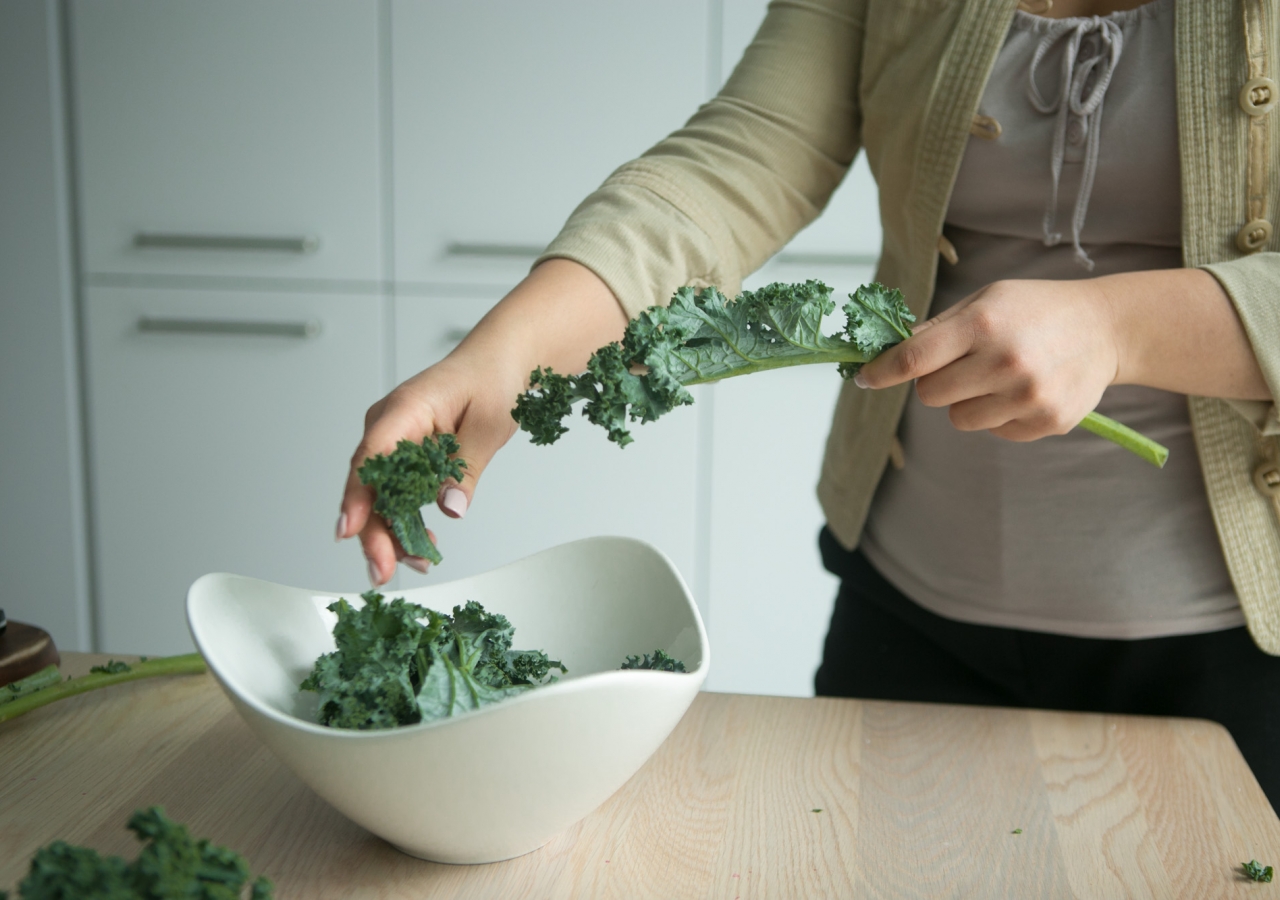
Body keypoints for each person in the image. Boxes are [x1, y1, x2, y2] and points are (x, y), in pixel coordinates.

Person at [336, 0, 1280, 805]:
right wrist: (503, 355)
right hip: (912, 612)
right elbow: (745, 155)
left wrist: (1121, 329)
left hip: (1233, 651)